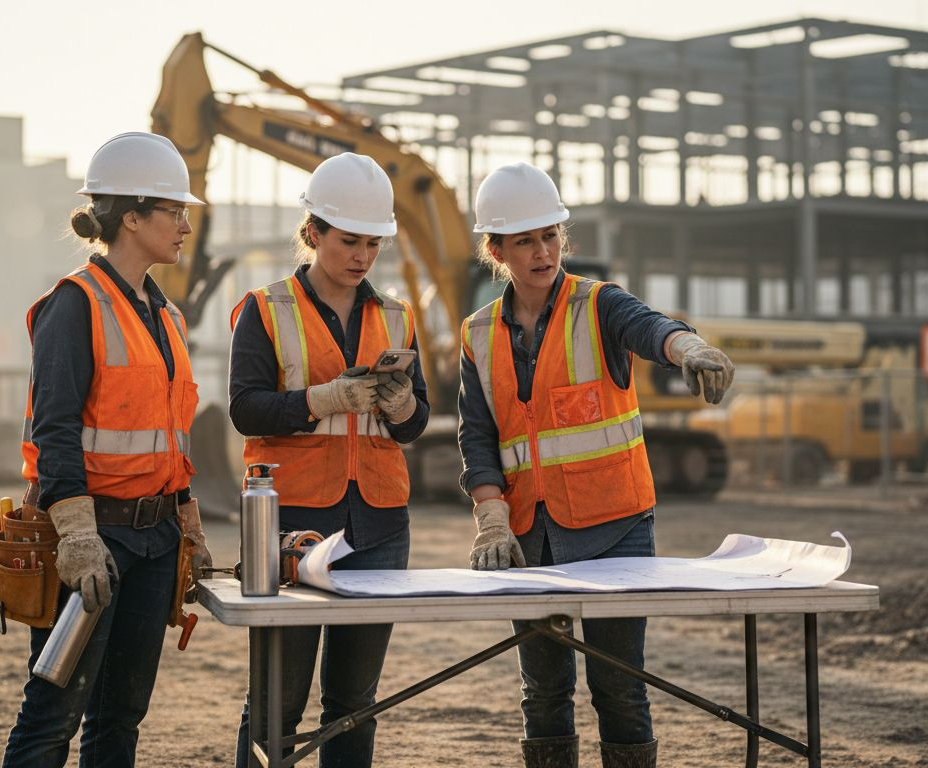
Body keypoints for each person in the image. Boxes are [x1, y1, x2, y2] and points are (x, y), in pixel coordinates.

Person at [457, 162, 734, 768]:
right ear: (496, 249)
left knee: (620, 688)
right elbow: (478, 435)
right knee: (544, 693)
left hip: (616, 527)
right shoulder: (478, 334)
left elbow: (648, 325)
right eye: (525, 240)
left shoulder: (597, 305)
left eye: (550, 235)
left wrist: (686, 346)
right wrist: (491, 518)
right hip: (529, 534)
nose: (542, 251)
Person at [3, 131, 213, 767]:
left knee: (120, 718)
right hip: (93, 540)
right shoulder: (74, 305)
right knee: (51, 717)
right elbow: (55, 427)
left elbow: (170, 436)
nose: (184, 224)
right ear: (132, 217)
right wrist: (75, 534)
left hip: (152, 545)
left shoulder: (166, 316)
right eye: (174, 211)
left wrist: (189, 526)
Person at [228, 152, 430, 767]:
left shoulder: (396, 316)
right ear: (313, 232)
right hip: (290, 525)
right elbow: (245, 409)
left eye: (373, 243)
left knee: (354, 703)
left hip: (379, 526)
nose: (363, 256)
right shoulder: (265, 310)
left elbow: (417, 421)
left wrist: (400, 410)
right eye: (349, 241)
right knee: (276, 704)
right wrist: (320, 400)